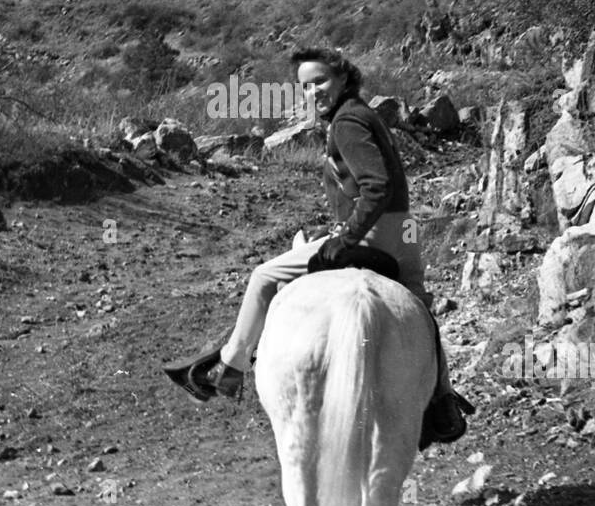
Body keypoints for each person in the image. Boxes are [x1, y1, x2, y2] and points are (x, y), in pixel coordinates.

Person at [165, 47, 474, 445]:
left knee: (263, 277)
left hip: (372, 232)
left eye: (320, 81)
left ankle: (230, 367)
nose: (313, 92)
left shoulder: (347, 122)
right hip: (404, 233)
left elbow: (375, 184)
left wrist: (346, 237)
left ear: (344, 77)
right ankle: (440, 399)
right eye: (306, 86)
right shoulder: (364, 114)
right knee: (418, 307)